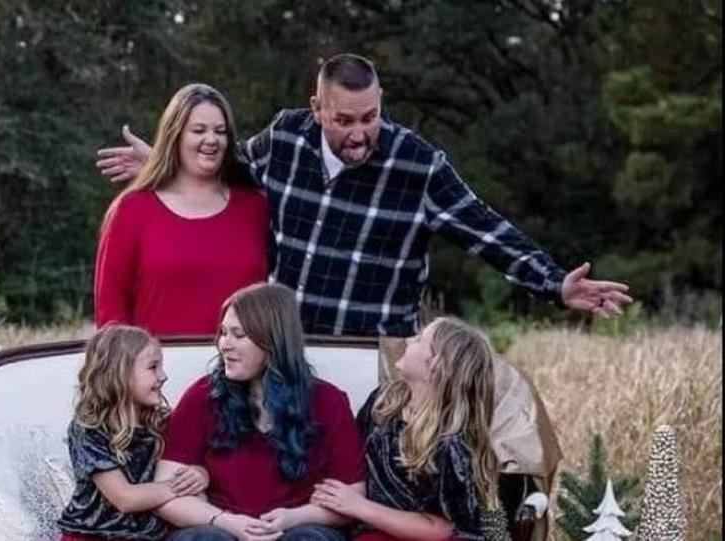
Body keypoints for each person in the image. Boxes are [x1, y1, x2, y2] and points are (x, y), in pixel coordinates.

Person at [95, 54, 633, 377]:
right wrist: (167, 164)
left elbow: (484, 228)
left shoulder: (415, 164)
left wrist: (555, 283)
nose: (359, 133)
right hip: (292, 354)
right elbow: (230, 169)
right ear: (316, 110)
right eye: (344, 120)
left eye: (371, 117)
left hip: (379, 357)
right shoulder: (285, 139)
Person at [153, 283, 366, 541]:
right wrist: (227, 522)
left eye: (238, 334)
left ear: (273, 341)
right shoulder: (203, 396)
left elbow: (353, 496)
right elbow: (163, 493)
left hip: (298, 526)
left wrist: (292, 518)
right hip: (218, 525)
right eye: (223, 333)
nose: (224, 345)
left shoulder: (328, 402)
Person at [311, 317, 510, 541]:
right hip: (375, 528)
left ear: (438, 366)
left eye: (420, 340)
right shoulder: (384, 403)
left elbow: (444, 529)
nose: (408, 340)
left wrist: (360, 507)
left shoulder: (452, 444)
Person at [94, 84, 268, 336]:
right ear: (175, 135)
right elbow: (110, 314)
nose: (211, 139)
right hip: (161, 369)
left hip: (241, 371)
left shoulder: (255, 207)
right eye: (198, 130)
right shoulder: (132, 209)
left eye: (220, 131)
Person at [58, 325, 209, 541]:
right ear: (120, 373)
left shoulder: (163, 422)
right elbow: (124, 498)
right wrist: (180, 487)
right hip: (93, 536)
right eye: (153, 367)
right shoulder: (89, 428)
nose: (163, 376)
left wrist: (199, 474)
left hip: (148, 536)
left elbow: (186, 461)